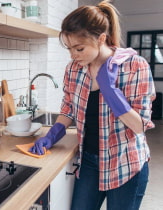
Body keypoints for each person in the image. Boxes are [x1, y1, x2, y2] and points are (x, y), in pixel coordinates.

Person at [29, 0, 156, 209]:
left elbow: (139, 126)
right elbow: (68, 108)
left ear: (101, 39)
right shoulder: (74, 68)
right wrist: (51, 136)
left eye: (79, 48)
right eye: (69, 49)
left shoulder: (135, 66)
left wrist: (110, 90)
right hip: (89, 162)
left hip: (126, 164)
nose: (73, 55)